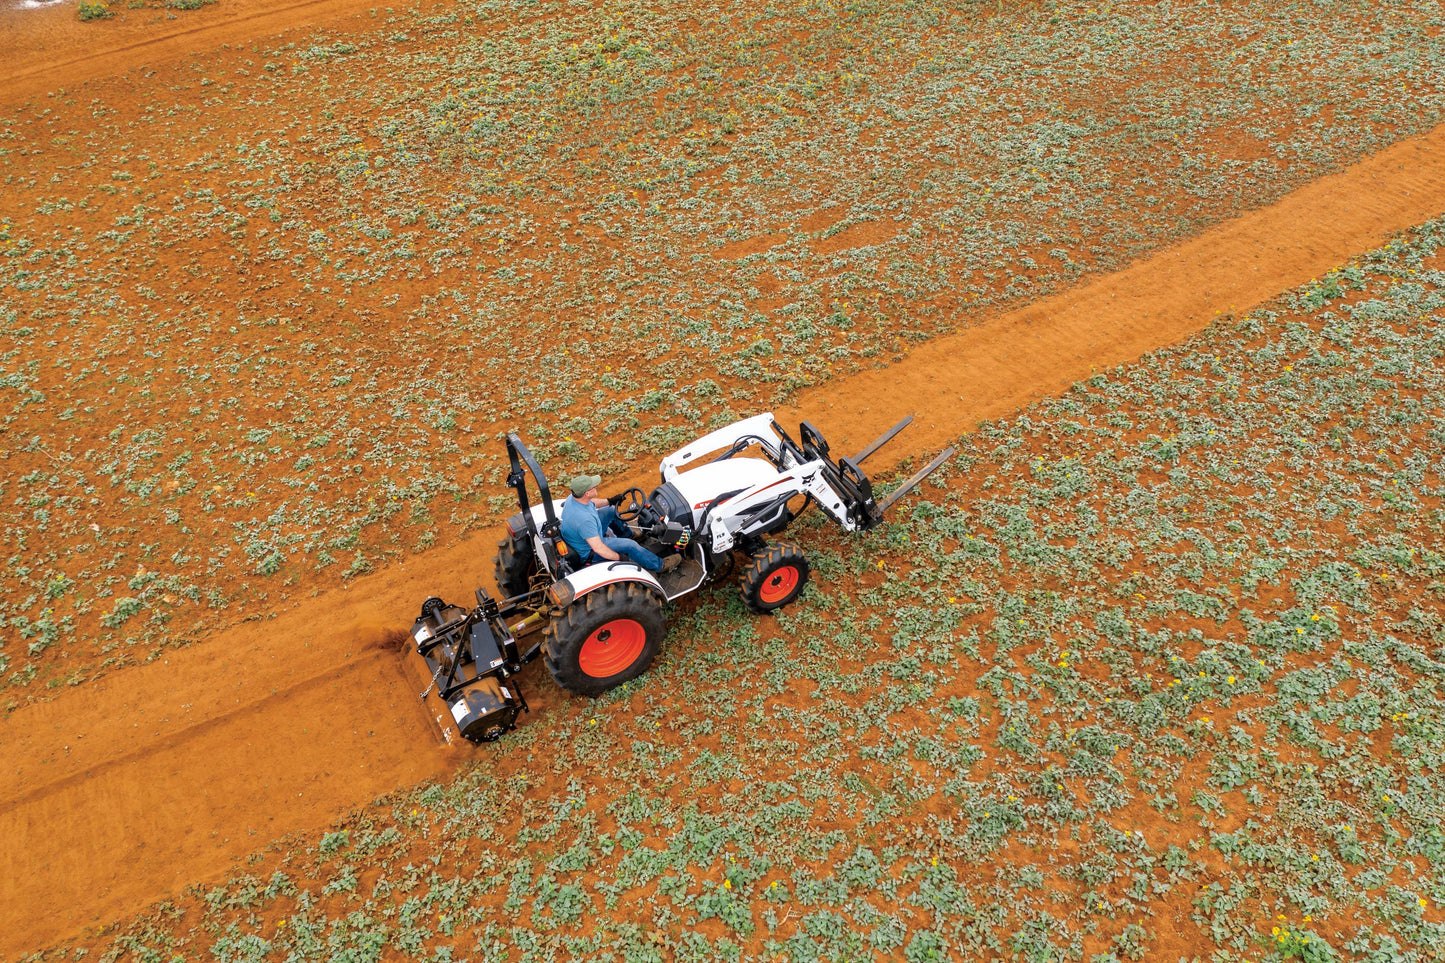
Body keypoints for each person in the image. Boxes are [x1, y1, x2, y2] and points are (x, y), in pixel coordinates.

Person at [559, 474, 682, 573]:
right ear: (587, 493)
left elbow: (592, 504)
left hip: (584, 536)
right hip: (589, 550)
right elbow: (599, 548)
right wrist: (620, 557)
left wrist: (610, 501)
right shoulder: (585, 520)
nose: (596, 486)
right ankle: (659, 565)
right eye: (593, 487)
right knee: (631, 546)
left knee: (611, 511)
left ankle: (627, 534)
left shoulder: (573, 498)